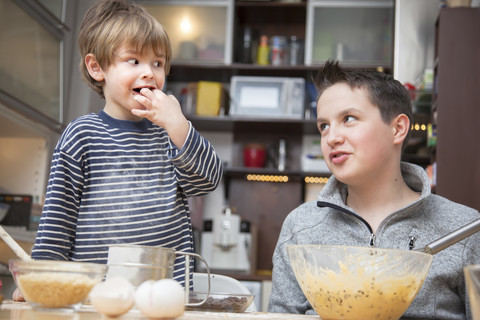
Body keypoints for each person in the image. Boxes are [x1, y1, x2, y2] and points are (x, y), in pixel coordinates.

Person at [14, 0, 222, 298]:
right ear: (97, 67)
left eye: (158, 63)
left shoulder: (170, 134)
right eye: (134, 61)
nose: (149, 72)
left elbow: (209, 180)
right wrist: (40, 279)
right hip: (95, 298)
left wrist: (179, 126)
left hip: (166, 296)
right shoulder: (81, 135)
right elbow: (57, 224)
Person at [268, 60, 480, 319]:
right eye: (324, 125)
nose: (331, 137)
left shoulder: (465, 229)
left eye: (348, 119)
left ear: (397, 128)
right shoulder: (300, 226)